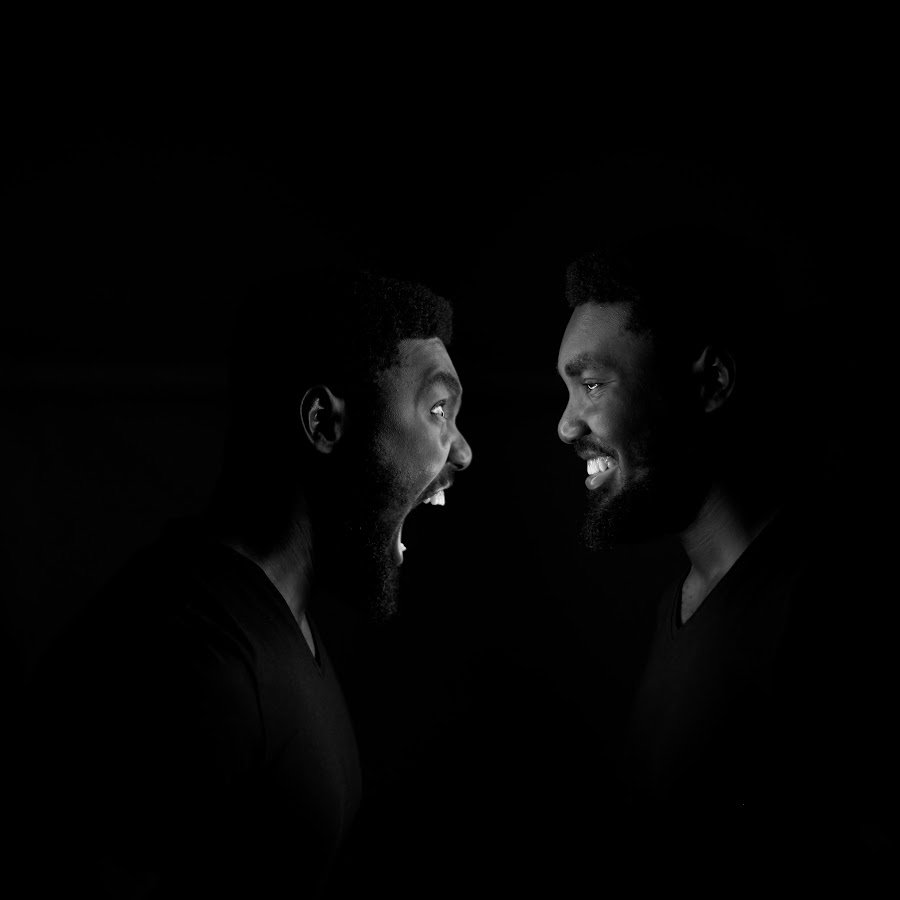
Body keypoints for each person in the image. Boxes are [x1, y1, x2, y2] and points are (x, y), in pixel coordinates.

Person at [22, 268, 472, 898]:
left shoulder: (276, 616)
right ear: (323, 422)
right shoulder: (187, 661)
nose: (462, 452)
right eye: (437, 410)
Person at [556, 228, 894, 887]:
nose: (566, 424)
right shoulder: (678, 607)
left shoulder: (828, 607)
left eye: (592, 385)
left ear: (712, 382)